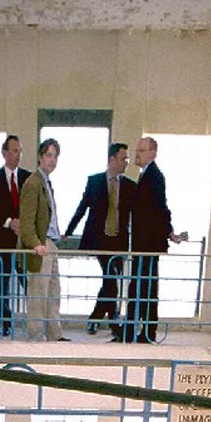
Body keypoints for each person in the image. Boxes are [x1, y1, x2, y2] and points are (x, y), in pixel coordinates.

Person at [114, 136, 182, 344]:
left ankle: (145, 332)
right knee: (140, 288)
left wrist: (168, 231)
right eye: (137, 150)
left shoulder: (154, 176)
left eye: (142, 150)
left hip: (148, 245)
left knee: (145, 288)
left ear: (153, 152)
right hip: (143, 245)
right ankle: (136, 331)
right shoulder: (147, 175)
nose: (137, 154)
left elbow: (161, 208)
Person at [65, 143, 135, 334]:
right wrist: (68, 231)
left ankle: (97, 318)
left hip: (119, 241)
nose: (126, 163)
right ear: (112, 159)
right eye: (123, 159)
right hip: (101, 240)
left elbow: (137, 215)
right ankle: (111, 322)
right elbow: (82, 207)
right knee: (111, 280)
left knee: (111, 281)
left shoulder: (129, 186)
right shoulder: (95, 181)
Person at [18, 138, 68, 342]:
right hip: (41, 244)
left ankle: (54, 334)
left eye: (55, 156)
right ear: (40, 157)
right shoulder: (33, 183)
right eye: (48, 155)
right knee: (38, 293)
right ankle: (36, 336)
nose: (52, 160)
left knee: (53, 291)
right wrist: (36, 244)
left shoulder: (46, 182)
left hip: (51, 242)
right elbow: (26, 222)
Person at [0, 135, 31, 336]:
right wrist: (9, 222)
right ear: (4, 153)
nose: (17, 155)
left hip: (22, 241)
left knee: (27, 282)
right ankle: (5, 321)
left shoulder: (28, 177)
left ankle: (35, 320)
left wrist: (23, 223)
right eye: (13, 150)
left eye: (19, 150)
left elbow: (32, 206)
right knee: (3, 282)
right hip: (1, 239)